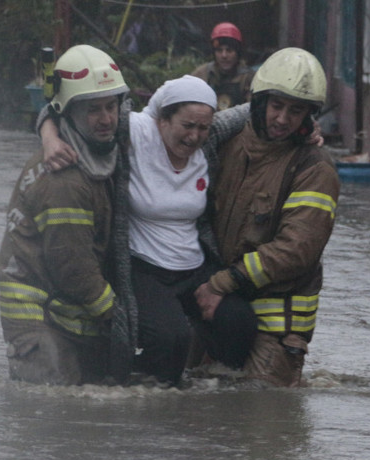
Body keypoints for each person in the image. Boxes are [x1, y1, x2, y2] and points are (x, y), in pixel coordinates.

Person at [39, 76, 258, 387]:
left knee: (240, 323)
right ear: (163, 119)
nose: (195, 136)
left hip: (194, 265)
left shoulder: (209, 136)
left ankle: (212, 396)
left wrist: (307, 130)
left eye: (202, 128)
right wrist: (49, 137)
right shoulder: (134, 129)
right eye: (187, 126)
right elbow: (61, 109)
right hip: (143, 266)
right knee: (170, 341)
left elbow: (257, 109)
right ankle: (141, 405)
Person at [193, 47, 340, 387]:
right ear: (258, 102)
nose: (283, 119)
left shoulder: (314, 168)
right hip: (218, 311)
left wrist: (222, 282)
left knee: (263, 421)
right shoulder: (229, 144)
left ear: (309, 115)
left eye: (296, 110)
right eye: (276, 105)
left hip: (275, 332)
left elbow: (296, 250)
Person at [0, 45, 133, 385]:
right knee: (56, 416)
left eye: (111, 106)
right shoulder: (64, 179)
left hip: (64, 312)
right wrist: (119, 320)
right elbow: (73, 267)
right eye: (93, 110)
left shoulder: (89, 150)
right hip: (39, 322)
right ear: (68, 113)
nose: (106, 119)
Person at [191, 22, 254, 111]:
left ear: (237, 53)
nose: (224, 55)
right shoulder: (202, 74)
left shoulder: (248, 78)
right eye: (219, 50)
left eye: (229, 50)